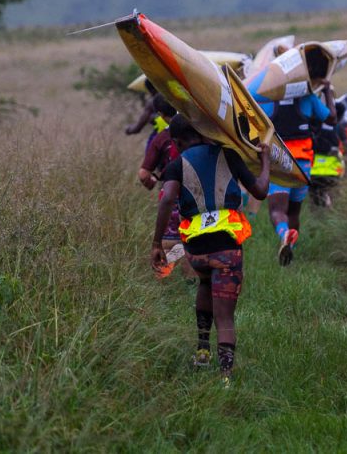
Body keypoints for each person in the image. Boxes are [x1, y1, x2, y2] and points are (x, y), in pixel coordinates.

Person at [151, 115, 270, 384]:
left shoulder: (176, 165)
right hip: (226, 249)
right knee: (224, 316)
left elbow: (167, 199)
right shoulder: (229, 155)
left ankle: (202, 351)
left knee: (205, 283)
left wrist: (157, 243)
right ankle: (225, 376)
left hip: (196, 250)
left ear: (177, 141)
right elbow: (261, 191)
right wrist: (265, 161)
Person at [259, 78, 336, 266]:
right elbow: (332, 119)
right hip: (303, 164)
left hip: (279, 162)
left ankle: (284, 234)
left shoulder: (266, 98)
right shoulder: (308, 98)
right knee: (294, 212)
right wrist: (327, 90)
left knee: (277, 210)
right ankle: (289, 254)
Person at [137, 94, 189, 279]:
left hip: (170, 196)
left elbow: (144, 174)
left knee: (169, 242)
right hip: (198, 196)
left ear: (160, 114)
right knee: (194, 242)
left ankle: (164, 279)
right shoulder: (198, 132)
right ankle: (191, 283)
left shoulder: (161, 138)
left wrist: (152, 182)